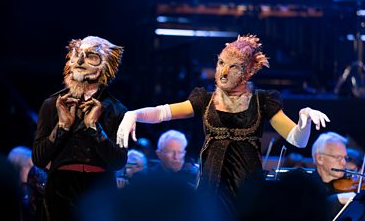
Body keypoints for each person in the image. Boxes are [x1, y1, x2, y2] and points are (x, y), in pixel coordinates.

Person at [116, 35, 330, 219]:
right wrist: (133, 114)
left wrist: (304, 121)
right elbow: (163, 112)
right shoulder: (205, 100)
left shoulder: (262, 101)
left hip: (247, 192)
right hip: (211, 190)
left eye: (233, 66)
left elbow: (298, 140)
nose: (223, 71)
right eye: (220, 63)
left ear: (247, 72)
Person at [32, 36, 128, 221]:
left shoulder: (117, 110)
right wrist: (62, 127)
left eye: (91, 56)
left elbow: (119, 161)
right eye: (77, 54)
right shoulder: (53, 104)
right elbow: (38, 158)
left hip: (99, 191)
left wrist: (94, 128)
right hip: (60, 190)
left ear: (106, 64)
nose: (81, 61)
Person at [311, 131, 356, 218]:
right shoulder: (305, 186)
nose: (344, 162)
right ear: (319, 158)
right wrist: (337, 199)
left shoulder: (348, 185)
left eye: (345, 158)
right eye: (338, 157)